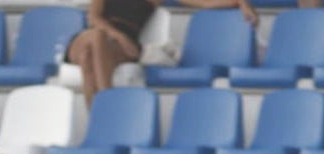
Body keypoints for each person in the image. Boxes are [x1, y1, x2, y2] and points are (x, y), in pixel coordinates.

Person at [66, 0, 258, 107]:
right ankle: (107, 102)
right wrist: (118, 36)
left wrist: (239, 2)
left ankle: (97, 118)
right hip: (96, 35)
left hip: (122, 47)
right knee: (97, 37)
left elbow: (203, 2)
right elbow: (93, 18)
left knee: (87, 58)